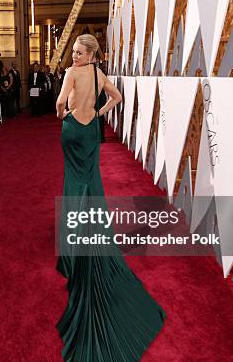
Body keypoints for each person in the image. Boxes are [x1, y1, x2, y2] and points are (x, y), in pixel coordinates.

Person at [54, 34, 165, 361]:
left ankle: (74, 236)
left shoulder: (72, 74)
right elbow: (115, 96)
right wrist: (101, 110)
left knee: (73, 181)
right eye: (73, 52)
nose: (74, 56)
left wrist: (62, 114)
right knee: (89, 180)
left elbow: (61, 101)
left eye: (79, 52)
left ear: (90, 54)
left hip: (74, 128)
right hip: (91, 131)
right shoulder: (98, 74)